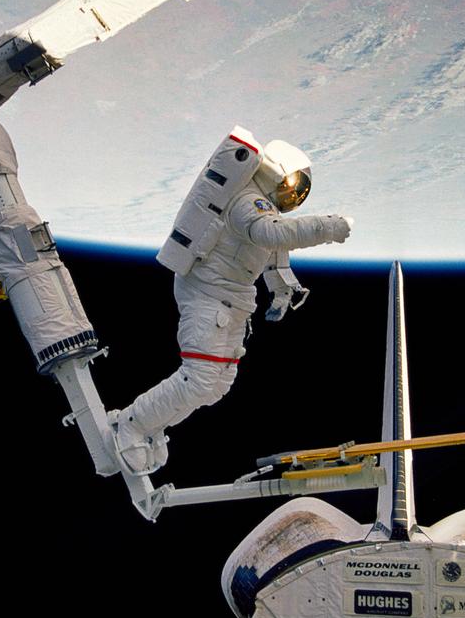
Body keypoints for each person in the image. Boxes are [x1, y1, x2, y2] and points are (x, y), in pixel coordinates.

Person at [111, 129, 352, 475]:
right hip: (207, 293)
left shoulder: (263, 210)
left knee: (216, 385)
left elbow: (273, 254)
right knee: (199, 377)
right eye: (289, 184)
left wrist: (283, 292)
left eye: (297, 190)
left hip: (233, 300)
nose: (292, 194)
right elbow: (272, 235)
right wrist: (328, 228)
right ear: (272, 173)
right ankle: (131, 425)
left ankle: (152, 424)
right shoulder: (245, 202)